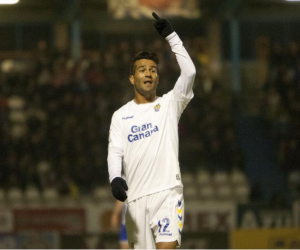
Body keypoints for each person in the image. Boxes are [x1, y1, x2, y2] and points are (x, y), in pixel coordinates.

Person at [107, 12, 196, 249]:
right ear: (131, 78)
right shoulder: (120, 115)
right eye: (142, 69)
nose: (148, 73)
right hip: (135, 201)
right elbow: (115, 151)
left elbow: (190, 73)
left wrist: (171, 36)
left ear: (157, 78)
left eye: (153, 70)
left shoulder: (170, 104)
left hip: (167, 193)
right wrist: (114, 176)